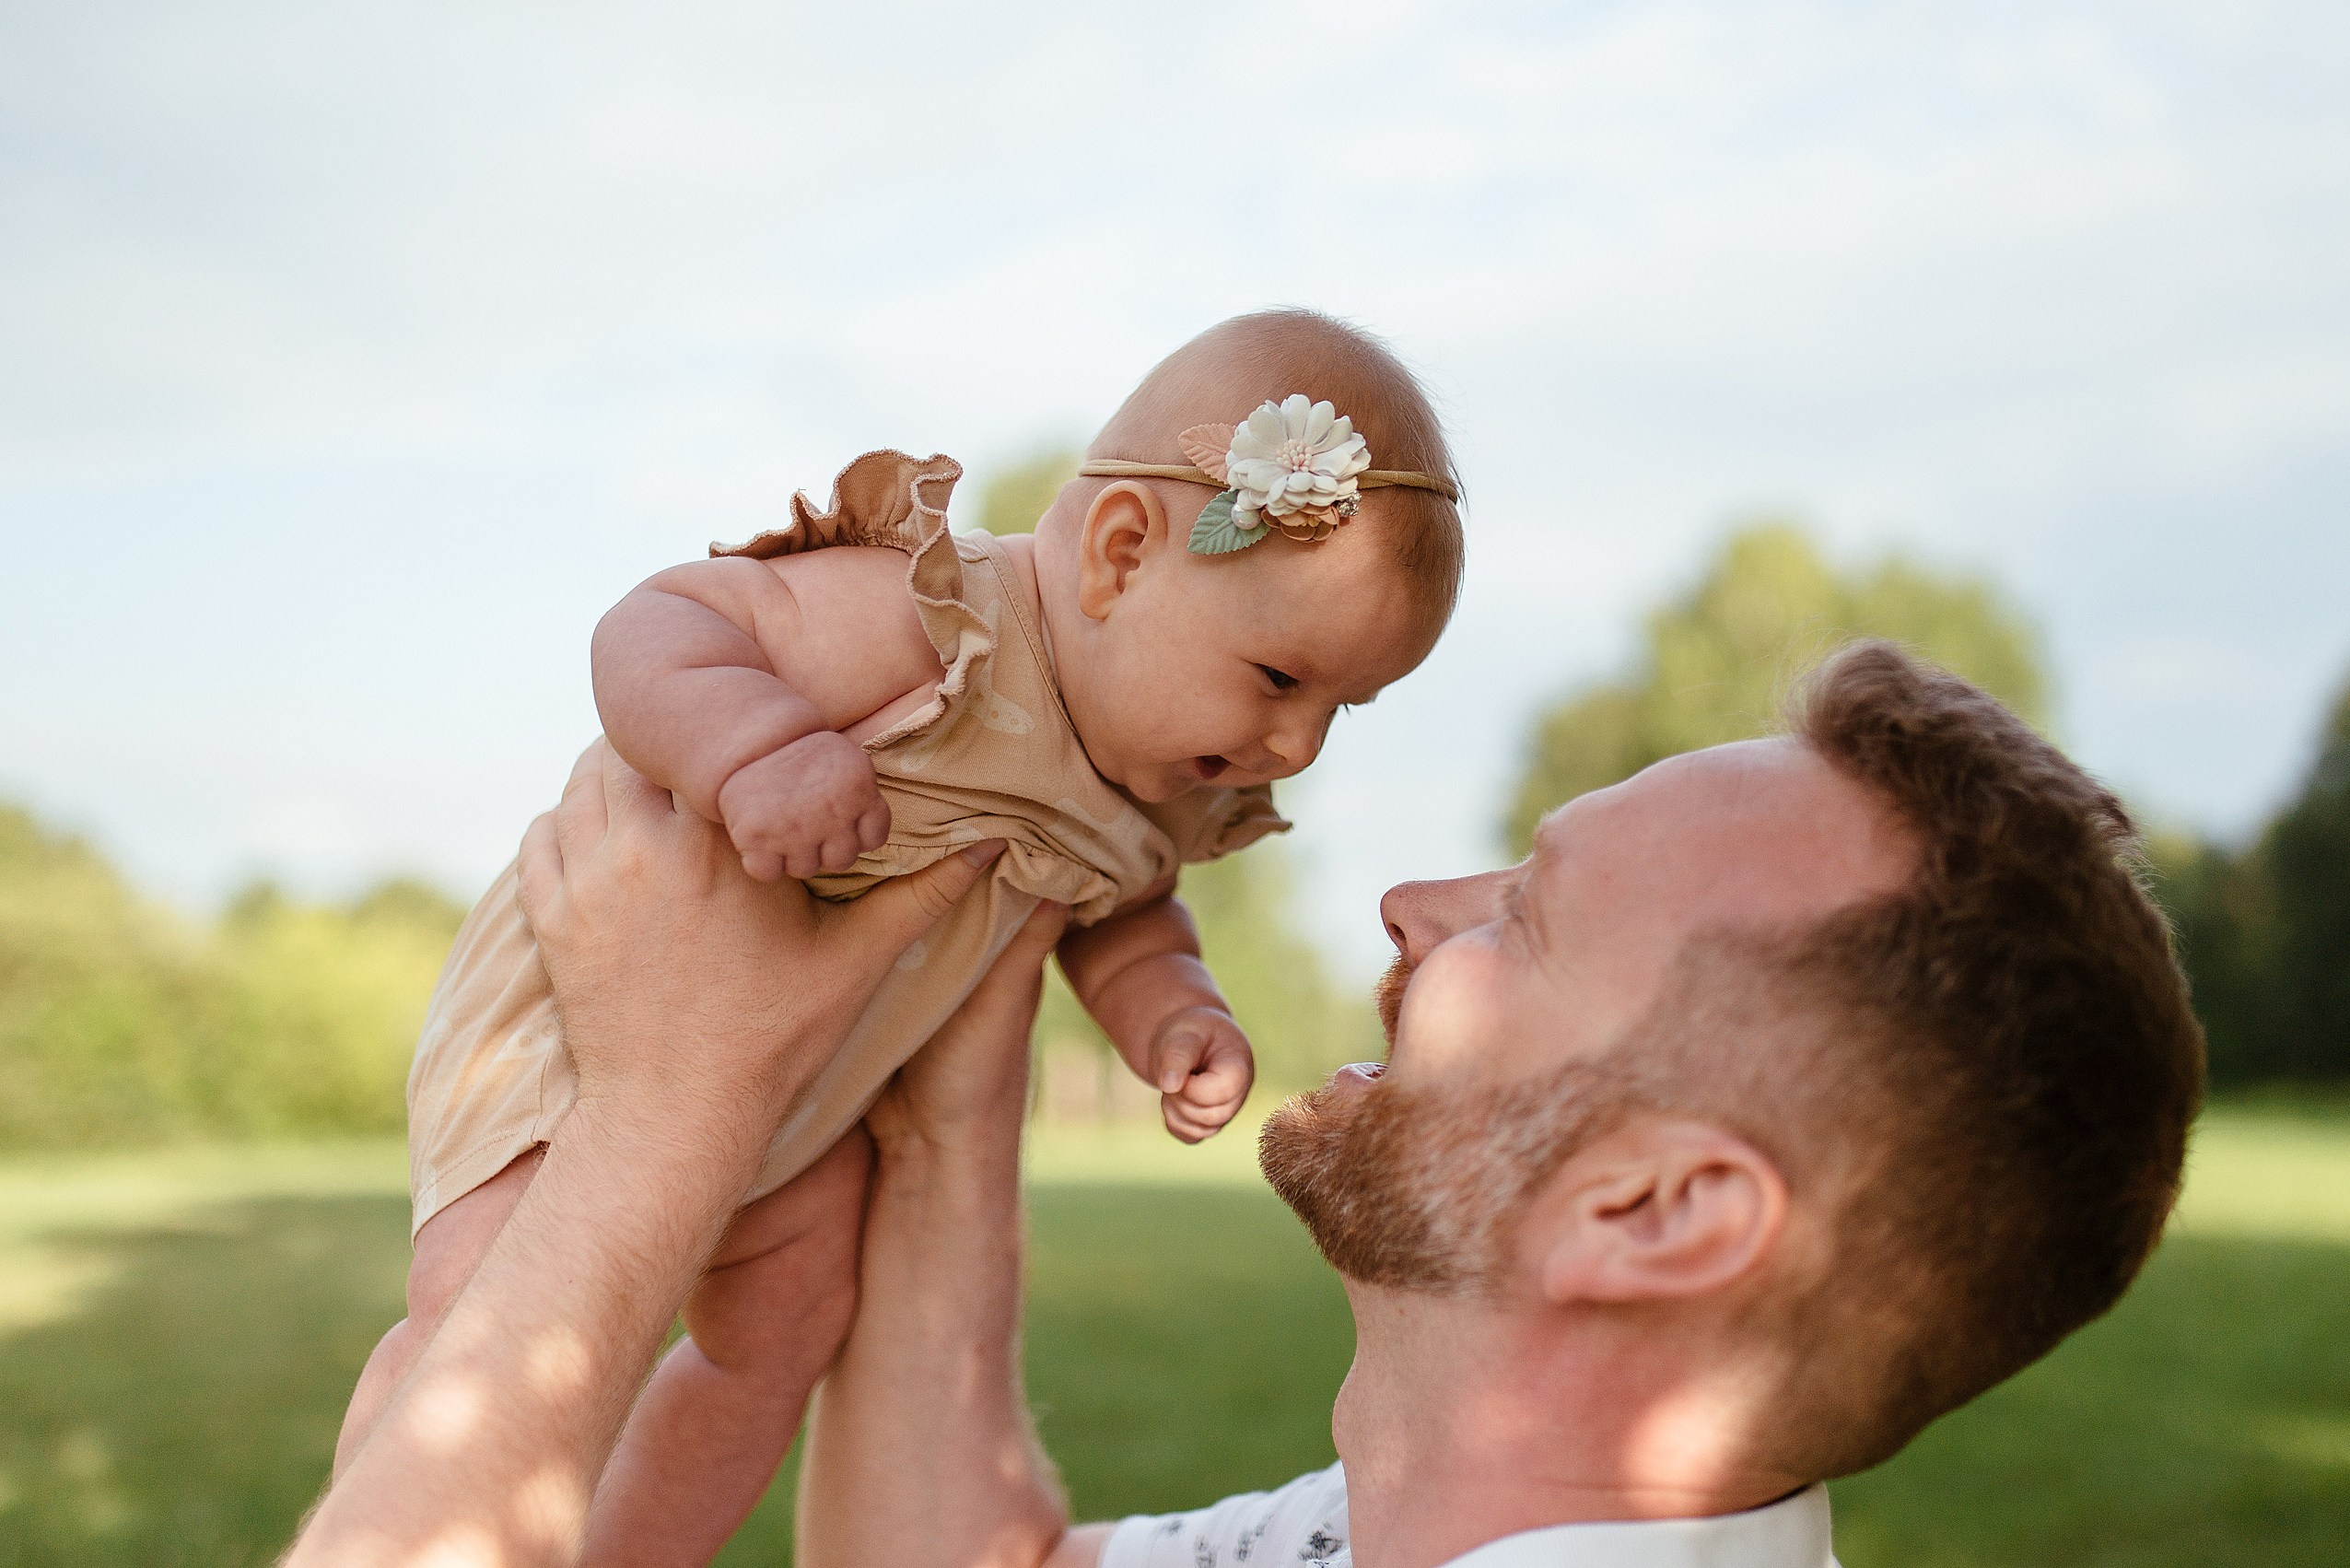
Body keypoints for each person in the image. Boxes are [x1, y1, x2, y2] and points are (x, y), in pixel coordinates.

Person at [338, 310, 1469, 1564]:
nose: (1296, 746)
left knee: (786, 1326)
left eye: (1341, 709)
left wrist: (1173, 1010)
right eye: (1280, 679)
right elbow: (661, 622)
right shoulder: (937, 624)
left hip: (805, 1089)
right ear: (1121, 554)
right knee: (479, 1318)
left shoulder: (1155, 796)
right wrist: (757, 747)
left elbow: (1131, 912)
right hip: (596, 1015)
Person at [795, 640, 2206, 1568]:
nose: (1409, 906)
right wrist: (944, 1099)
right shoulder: (1382, 1527)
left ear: (1655, 1210)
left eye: (1528, 918)